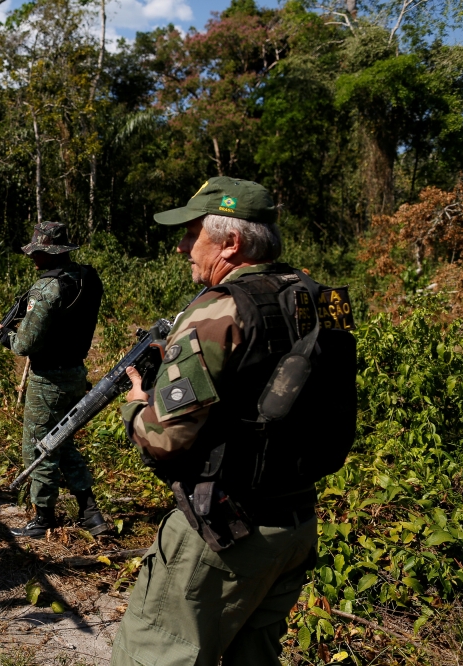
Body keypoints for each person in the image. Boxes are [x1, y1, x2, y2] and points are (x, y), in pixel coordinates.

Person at [110, 177, 357, 666]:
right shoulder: (314, 298)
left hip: (225, 534)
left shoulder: (219, 308)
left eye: (192, 233)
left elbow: (165, 440)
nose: (183, 247)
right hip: (295, 523)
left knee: (153, 655)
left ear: (231, 242)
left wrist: (137, 404)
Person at [7, 221, 111, 538]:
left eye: (38, 252)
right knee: (63, 444)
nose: (33, 258)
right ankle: (91, 512)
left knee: (39, 448)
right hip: (76, 372)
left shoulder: (46, 289)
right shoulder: (87, 278)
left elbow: (25, 344)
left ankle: (43, 517)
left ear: (52, 253)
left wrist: (8, 337)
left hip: (48, 378)